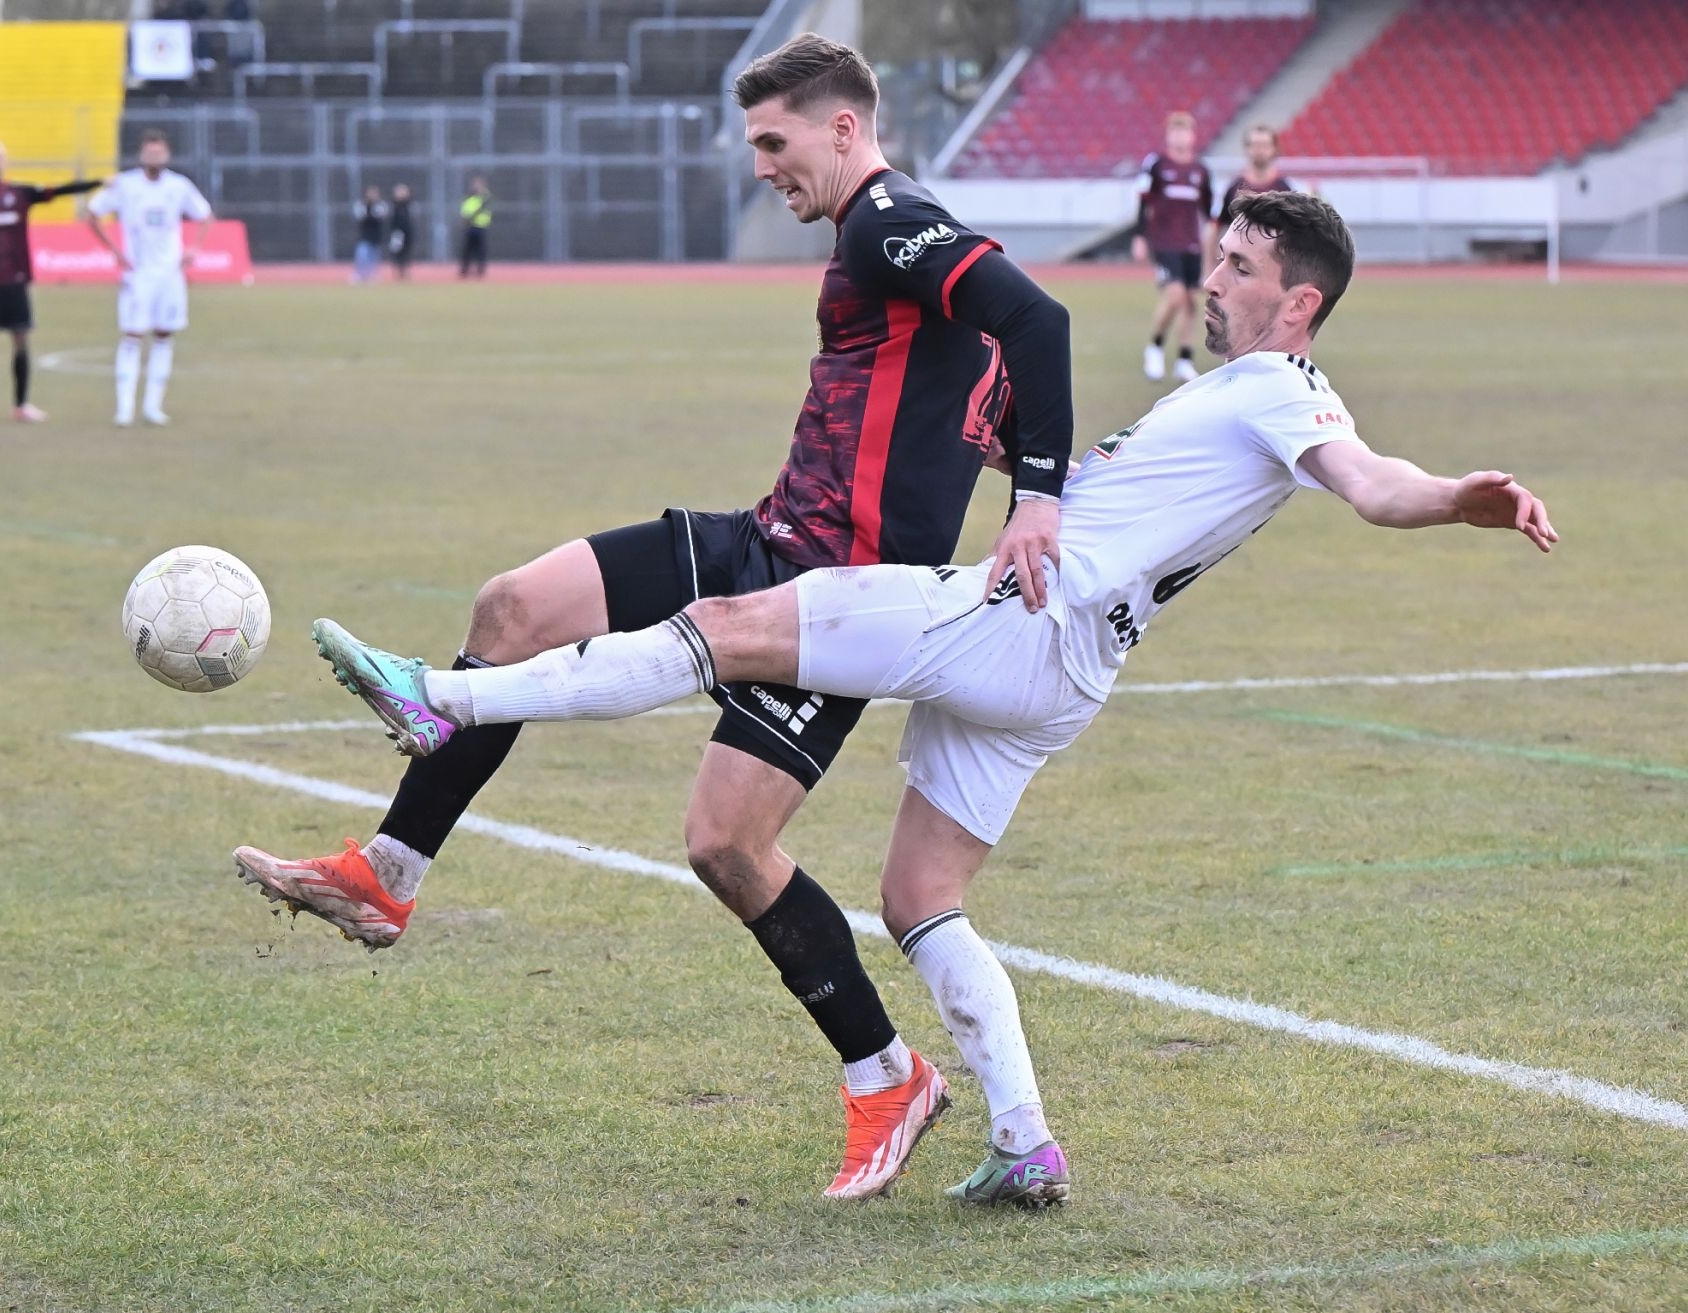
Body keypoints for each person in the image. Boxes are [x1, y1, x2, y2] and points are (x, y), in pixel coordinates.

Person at [299, 190, 1557, 1207]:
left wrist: (1456, 498)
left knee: (731, 627)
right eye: (1219, 257)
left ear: (1301, 301)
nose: (1212, 278)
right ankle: (1024, 1140)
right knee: (919, 894)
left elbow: (1373, 480)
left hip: (1017, 619)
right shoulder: (1227, 394)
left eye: (1238, 265)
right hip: (1067, 673)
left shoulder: (1285, 389)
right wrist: (1014, 450)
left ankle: (445, 698)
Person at [233, 32, 1079, 1203]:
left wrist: (1037, 498)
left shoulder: (888, 220)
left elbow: (1041, 320)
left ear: (844, 127)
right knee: (514, 605)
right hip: (763, 535)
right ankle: (388, 871)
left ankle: (888, 1076)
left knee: (725, 844)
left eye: (775, 142)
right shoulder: (890, 241)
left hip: (829, 605)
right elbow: (988, 374)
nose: (762, 167)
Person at [0, 140, 101, 425]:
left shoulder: (19, 193)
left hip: (15, 280)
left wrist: (99, 183)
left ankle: (21, 405)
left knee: (21, 338)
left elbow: (60, 190)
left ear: (5, 161)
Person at [84, 129, 213, 428]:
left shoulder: (179, 186)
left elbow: (205, 215)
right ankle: (124, 408)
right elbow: (92, 213)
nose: (154, 156)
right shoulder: (125, 185)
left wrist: (194, 247)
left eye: (159, 152)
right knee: (132, 336)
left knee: (164, 336)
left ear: (167, 155)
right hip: (138, 274)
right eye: (149, 152)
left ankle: (153, 407)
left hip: (170, 275)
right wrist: (115, 250)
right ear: (141, 154)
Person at [1132, 110, 1213, 384]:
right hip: (1164, 242)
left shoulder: (1200, 171)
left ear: (1193, 137)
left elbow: (1209, 211)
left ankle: (1184, 360)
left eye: (1184, 131)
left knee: (1191, 301)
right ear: (1168, 136)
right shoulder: (1156, 165)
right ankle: (1154, 347)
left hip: (1192, 243)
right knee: (1175, 295)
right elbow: (1143, 201)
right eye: (1175, 132)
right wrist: (1139, 236)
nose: (1180, 137)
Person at [1213, 123, 1295, 250]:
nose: (1260, 150)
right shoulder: (1234, 188)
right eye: (1255, 145)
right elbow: (1216, 226)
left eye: (1264, 145)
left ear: (1274, 148)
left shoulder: (1285, 189)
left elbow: (1294, 231)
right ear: (1247, 148)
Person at [351, 184, 387, 283]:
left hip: (376, 236)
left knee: (374, 258)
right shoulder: (361, 205)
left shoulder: (380, 205)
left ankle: (372, 275)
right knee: (362, 256)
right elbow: (360, 217)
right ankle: (359, 275)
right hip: (364, 236)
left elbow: (381, 216)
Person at [458, 175, 490, 278]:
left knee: (480, 250)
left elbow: (484, 206)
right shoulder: (469, 197)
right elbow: (465, 210)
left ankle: (480, 270)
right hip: (470, 227)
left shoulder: (485, 197)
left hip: (480, 226)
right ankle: (464, 270)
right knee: (467, 249)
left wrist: (471, 217)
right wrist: (465, 220)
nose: (476, 186)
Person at [387, 182, 415, 281]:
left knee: (407, 253)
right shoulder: (393, 205)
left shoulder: (409, 205)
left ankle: (406, 273)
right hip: (397, 233)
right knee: (397, 253)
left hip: (407, 232)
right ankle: (397, 274)